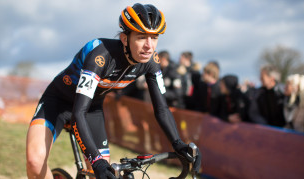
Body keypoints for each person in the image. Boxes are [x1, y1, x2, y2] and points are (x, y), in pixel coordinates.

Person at [26, 3, 201, 179]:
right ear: (125, 39)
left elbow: (162, 108)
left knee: (105, 174)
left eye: (154, 37)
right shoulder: (100, 56)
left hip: (91, 109)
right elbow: (77, 113)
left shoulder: (151, 61)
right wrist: (97, 160)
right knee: (35, 162)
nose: (149, 45)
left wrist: (178, 144)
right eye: (141, 37)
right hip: (57, 102)